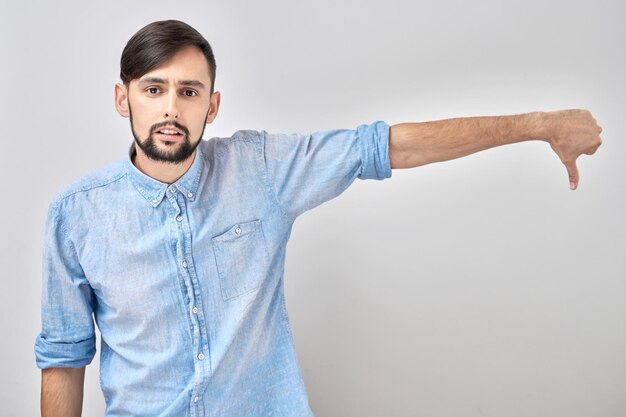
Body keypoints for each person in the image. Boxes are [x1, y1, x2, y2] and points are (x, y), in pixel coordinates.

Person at [34, 19, 603, 417]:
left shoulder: (260, 169)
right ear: (122, 98)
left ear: (212, 105)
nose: (169, 109)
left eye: (188, 91)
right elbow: (64, 356)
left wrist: (537, 124)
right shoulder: (78, 214)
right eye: (152, 89)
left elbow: (382, 147)